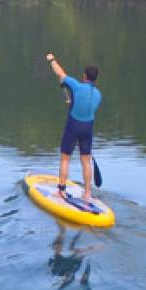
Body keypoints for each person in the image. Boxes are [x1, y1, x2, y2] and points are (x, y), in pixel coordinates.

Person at [45, 53, 101, 202]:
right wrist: (73, 104)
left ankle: (61, 191)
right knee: (86, 161)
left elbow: (60, 73)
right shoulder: (98, 95)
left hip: (73, 126)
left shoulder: (76, 85)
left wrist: (52, 60)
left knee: (65, 159)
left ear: (84, 76)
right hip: (88, 128)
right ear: (95, 78)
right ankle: (87, 193)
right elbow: (87, 108)